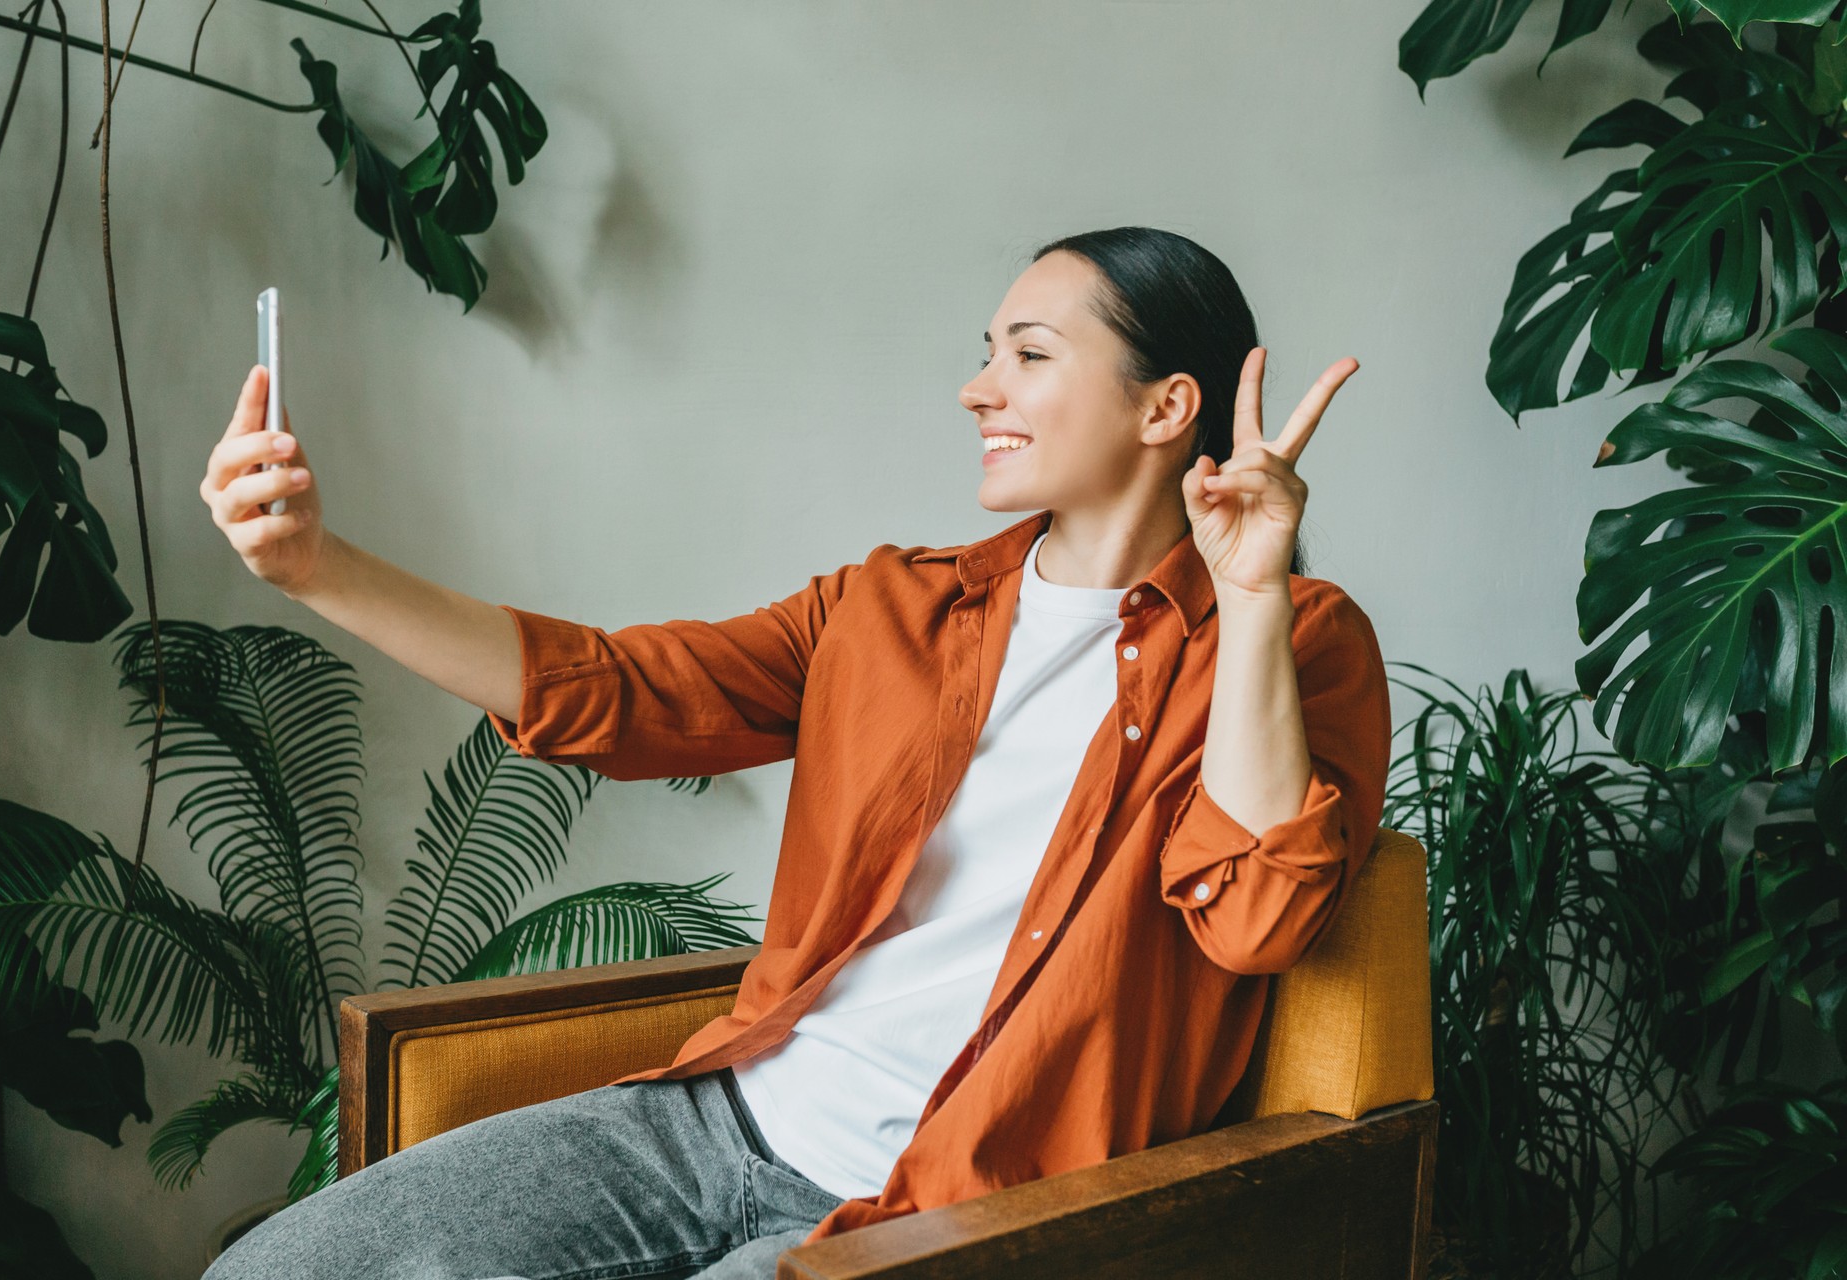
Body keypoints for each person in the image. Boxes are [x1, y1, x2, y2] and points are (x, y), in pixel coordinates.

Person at [196, 226, 1389, 1280]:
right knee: (281, 1267)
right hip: (719, 1120)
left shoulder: (1297, 638)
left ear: (1165, 405)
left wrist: (1250, 600)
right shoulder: (885, 610)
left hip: (956, 1202)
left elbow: (1257, 924)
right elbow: (615, 690)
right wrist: (316, 567)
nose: (979, 389)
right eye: (987, 351)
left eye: (1028, 355)